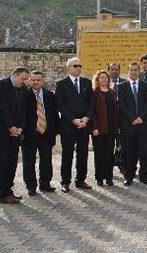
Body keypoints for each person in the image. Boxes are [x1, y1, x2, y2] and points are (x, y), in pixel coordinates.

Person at [55, 57, 94, 192]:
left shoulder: (87, 82)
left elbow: (91, 103)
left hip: (83, 125)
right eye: (75, 66)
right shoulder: (61, 84)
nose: (78, 68)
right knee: (67, 154)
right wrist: (73, 119)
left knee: (83, 153)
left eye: (79, 66)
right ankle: (65, 182)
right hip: (68, 125)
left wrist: (87, 118)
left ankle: (81, 180)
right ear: (68, 68)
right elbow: (60, 105)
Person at [0, 66, 30, 204]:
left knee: (12, 163)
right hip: (3, 132)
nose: (25, 81)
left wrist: (20, 127)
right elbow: (2, 108)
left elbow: (24, 111)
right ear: (15, 74)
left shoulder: (24, 89)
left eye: (26, 79)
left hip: (16, 133)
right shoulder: (2, 85)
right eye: (23, 78)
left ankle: (9, 191)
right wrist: (10, 126)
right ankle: (2, 194)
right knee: (1, 162)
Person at [22, 70, 59, 195]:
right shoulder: (24, 95)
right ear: (29, 80)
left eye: (38, 80)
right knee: (29, 162)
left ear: (43, 81)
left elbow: (54, 115)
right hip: (29, 134)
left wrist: (55, 132)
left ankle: (45, 184)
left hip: (46, 134)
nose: (36, 82)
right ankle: (31, 186)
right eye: (33, 80)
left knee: (46, 161)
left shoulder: (50, 95)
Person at [117, 61, 147, 185]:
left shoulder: (145, 85)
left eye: (136, 70)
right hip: (128, 125)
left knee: (143, 151)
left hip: (142, 124)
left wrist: (141, 117)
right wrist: (132, 118)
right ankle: (129, 176)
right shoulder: (122, 86)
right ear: (128, 71)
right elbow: (121, 104)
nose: (133, 72)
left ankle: (144, 176)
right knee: (129, 152)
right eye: (131, 70)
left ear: (139, 71)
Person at [91, 70, 119, 186]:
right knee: (99, 154)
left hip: (111, 128)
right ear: (97, 80)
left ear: (108, 79)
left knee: (109, 154)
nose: (103, 79)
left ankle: (109, 177)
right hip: (99, 128)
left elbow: (116, 110)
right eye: (101, 77)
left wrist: (117, 126)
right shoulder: (94, 93)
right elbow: (92, 112)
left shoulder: (112, 92)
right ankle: (99, 178)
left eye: (105, 77)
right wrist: (94, 127)